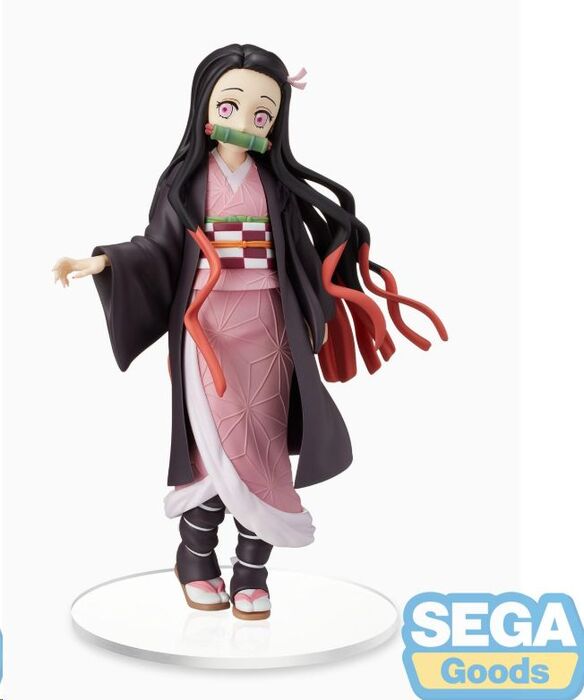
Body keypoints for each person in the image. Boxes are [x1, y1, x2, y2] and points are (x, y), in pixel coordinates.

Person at [53, 44, 447, 621]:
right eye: (230, 106)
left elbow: (301, 255)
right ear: (205, 108)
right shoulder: (184, 183)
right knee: (213, 448)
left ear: (275, 122)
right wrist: (108, 261)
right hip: (206, 327)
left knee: (263, 449)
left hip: (269, 326)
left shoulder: (276, 185)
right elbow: (159, 247)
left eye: (262, 113)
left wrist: (324, 295)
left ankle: (252, 573)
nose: (245, 122)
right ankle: (195, 559)